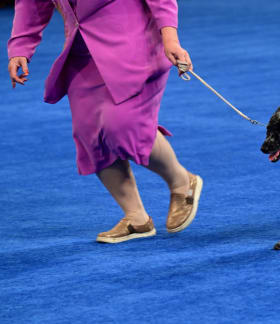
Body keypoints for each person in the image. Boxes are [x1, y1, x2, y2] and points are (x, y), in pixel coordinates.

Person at [7, 0, 202, 243]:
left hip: (136, 46)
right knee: (91, 136)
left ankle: (182, 182)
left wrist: (170, 38)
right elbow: (32, 4)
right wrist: (20, 49)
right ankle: (135, 217)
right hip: (82, 57)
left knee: (122, 126)